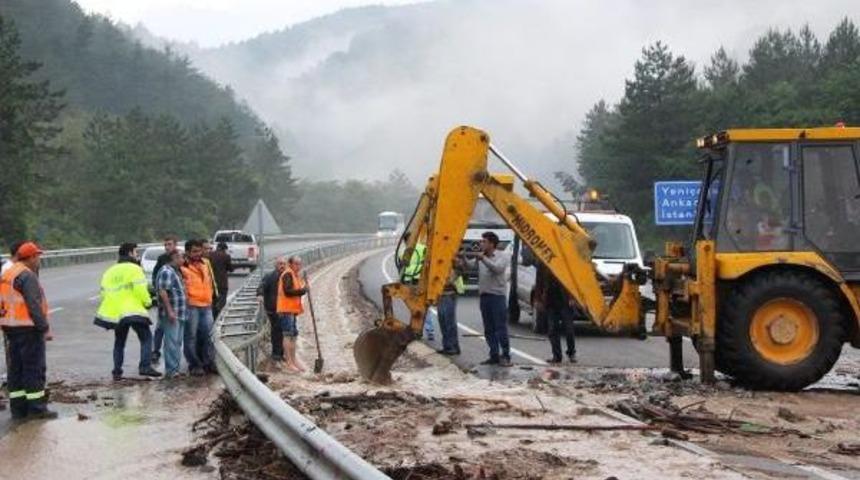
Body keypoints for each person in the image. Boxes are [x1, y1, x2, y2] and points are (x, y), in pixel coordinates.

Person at [0, 242, 57, 421]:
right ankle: (37, 409)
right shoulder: (26, 275)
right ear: (31, 257)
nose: (39, 260)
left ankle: (18, 409)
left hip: (10, 328)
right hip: (28, 328)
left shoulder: (7, 273)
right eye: (37, 256)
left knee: (16, 369)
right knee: (33, 369)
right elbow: (34, 305)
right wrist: (44, 328)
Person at [95, 243, 162, 380]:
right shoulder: (135, 269)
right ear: (130, 253)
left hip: (117, 313)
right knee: (146, 338)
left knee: (119, 342)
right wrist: (148, 302)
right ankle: (145, 367)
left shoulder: (110, 271)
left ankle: (117, 371)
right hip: (133, 310)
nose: (137, 255)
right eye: (136, 252)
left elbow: (103, 293)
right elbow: (140, 289)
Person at [463, 231, 511, 367]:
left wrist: (483, 258)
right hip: (484, 296)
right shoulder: (481, 256)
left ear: (491, 244)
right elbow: (470, 265)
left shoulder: (502, 256)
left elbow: (497, 269)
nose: (481, 243)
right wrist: (464, 257)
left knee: (500, 327)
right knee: (488, 328)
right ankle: (494, 354)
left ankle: (505, 355)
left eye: (484, 241)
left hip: (497, 297)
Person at [181, 239, 217, 376]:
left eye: (199, 251)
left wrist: (212, 296)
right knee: (191, 337)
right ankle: (195, 365)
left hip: (206, 304)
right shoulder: (182, 266)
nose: (198, 254)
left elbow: (210, 281)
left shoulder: (205, 263)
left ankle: (208, 363)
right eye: (194, 251)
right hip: (192, 306)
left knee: (208, 335)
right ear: (187, 252)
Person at [533, 263, 577, 364]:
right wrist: (538, 299)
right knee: (553, 329)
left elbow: (572, 279)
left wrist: (572, 297)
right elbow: (539, 281)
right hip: (550, 300)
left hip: (565, 300)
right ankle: (557, 356)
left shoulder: (565, 259)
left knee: (569, 329)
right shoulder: (543, 262)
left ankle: (571, 353)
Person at [156, 249, 187, 378]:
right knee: (171, 342)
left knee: (177, 342)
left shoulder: (175, 271)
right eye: (181, 257)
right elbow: (163, 292)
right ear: (174, 258)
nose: (183, 260)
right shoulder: (166, 271)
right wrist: (169, 311)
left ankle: (175, 369)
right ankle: (171, 370)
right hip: (172, 313)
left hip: (180, 311)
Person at [276, 256, 308, 373]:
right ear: (290, 264)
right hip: (286, 310)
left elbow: (298, 287)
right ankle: (289, 362)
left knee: (293, 335)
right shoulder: (288, 274)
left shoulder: (294, 275)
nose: (298, 266)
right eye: (296, 264)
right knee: (288, 335)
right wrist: (303, 291)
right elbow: (288, 291)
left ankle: (294, 361)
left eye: (300, 264)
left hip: (292, 310)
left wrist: (304, 285)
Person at [400, 235, 434, 341]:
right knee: (423, 306)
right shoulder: (422, 248)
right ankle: (428, 330)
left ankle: (418, 331)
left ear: (406, 241)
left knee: (415, 307)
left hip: (411, 282)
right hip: (421, 281)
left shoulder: (405, 251)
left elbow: (402, 267)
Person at [151, 235, 179, 364]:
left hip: (178, 300)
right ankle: (155, 351)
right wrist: (158, 290)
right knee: (160, 326)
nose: (167, 247)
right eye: (165, 245)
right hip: (165, 299)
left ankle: (174, 355)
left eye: (169, 244)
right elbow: (155, 275)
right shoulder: (162, 259)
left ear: (175, 245)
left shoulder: (179, 257)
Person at [257, 256, 287, 362]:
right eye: (280, 264)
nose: (282, 266)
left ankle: (281, 353)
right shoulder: (269, 276)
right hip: (273, 308)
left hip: (284, 308)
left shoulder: (287, 277)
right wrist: (260, 294)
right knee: (277, 330)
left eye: (284, 264)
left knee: (282, 331)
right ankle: (276, 354)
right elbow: (261, 286)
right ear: (275, 265)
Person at [436, 258, 465, 356]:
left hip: (449, 293)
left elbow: (461, 267)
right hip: (440, 293)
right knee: (443, 321)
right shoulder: (437, 256)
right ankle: (447, 346)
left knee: (449, 321)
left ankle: (453, 347)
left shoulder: (450, 255)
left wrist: (451, 279)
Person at [209, 242, 233, 320]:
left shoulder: (210, 255)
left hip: (211, 282)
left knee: (213, 301)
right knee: (222, 301)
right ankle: (219, 317)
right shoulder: (226, 256)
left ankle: (213, 317)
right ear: (225, 249)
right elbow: (230, 268)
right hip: (222, 283)